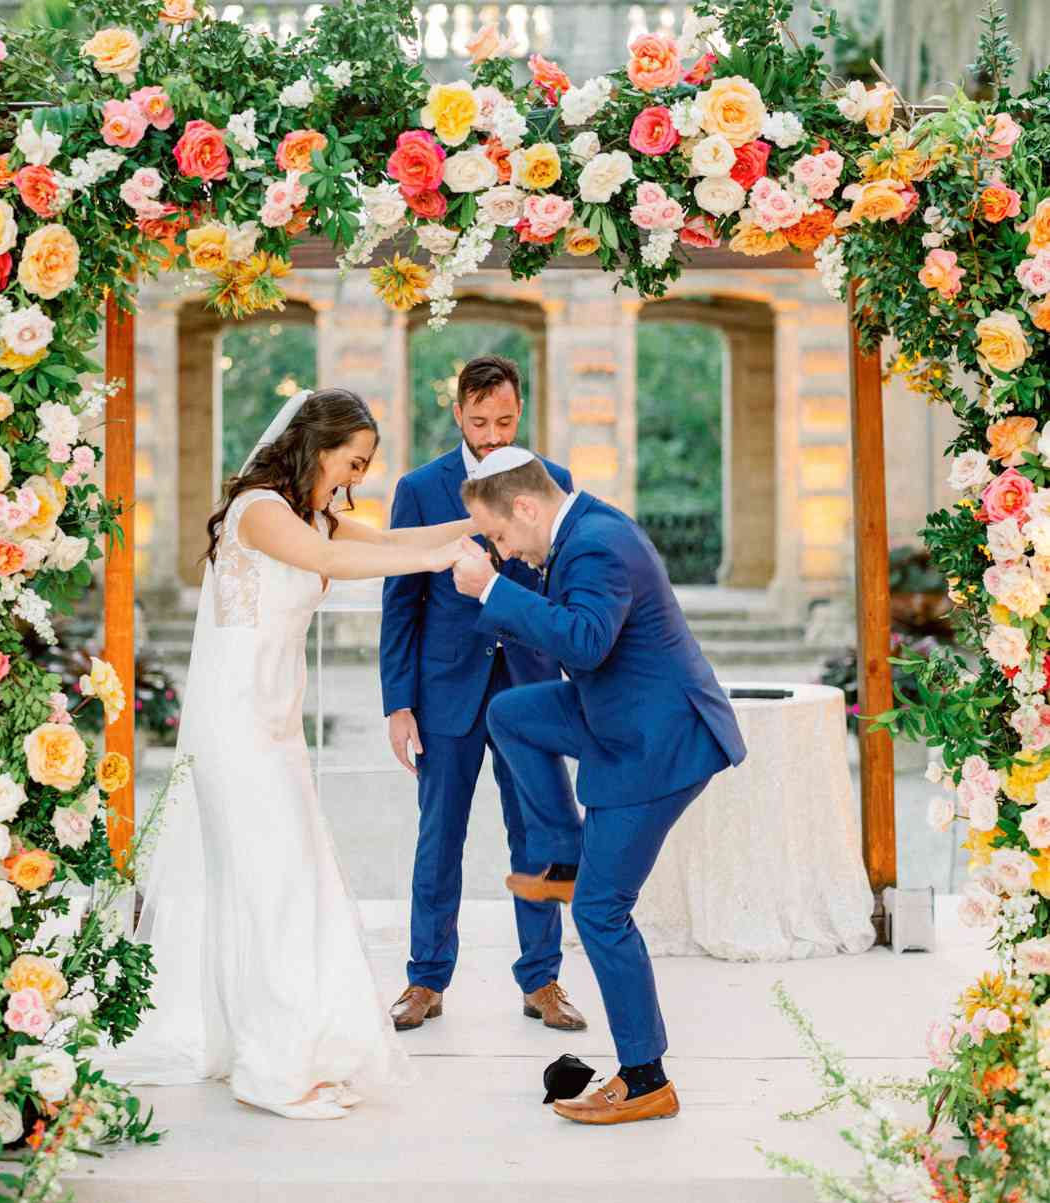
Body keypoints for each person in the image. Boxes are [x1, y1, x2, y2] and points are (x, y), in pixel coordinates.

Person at [104, 389, 470, 1122]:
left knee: (289, 873)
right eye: (352, 461)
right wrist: (441, 561)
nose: (355, 478)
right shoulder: (259, 511)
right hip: (234, 721)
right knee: (272, 877)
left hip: (275, 719)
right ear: (318, 442)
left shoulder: (312, 511)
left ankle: (279, 1036)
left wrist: (483, 523)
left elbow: (382, 540)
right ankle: (276, 1058)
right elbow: (333, 558)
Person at [452, 448, 747, 1126]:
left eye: (499, 536)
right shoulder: (581, 530)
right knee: (511, 713)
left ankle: (646, 1078)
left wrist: (494, 590)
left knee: (600, 912)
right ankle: (564, 852)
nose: (503, 551)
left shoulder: (596, 546)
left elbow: (583, 644)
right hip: (617, 712)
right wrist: (506, 591)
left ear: (525, 507)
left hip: (658, 743)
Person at [380, 355, 586, 1035]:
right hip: (446, 691)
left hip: (531, 684)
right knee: (439, 832)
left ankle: (543, 979)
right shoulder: (419, 487)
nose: (494, 435)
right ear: (458, 414)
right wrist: (398, 703)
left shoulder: (553, 482)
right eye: (480, 422)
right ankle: (424, 978)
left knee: (538, 830)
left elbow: (565, 590)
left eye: (504, 421)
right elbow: (400, 602)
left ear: (519, 412)